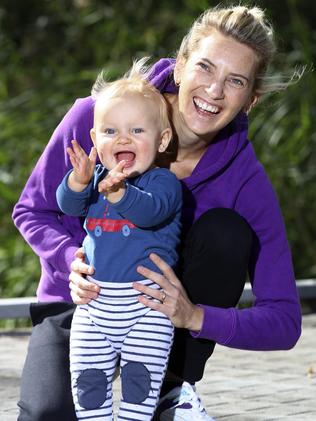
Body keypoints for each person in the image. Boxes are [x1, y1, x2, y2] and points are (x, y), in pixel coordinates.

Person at [12, 4, 302, 421]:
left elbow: (285, 320)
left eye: (235, 81)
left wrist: (195, 316)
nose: (214, 90)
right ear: (181, 66)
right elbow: (32, 210)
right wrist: (70, 259)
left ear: (250, 100)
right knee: (47, 415)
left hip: (159, 319)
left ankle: (172, 389)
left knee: (226, 231)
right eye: (205, 67)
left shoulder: (244, 178)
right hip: (82, 302)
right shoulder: (98, 118)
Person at [56, 64, 182, 420]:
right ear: (96, 140)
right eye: (111, 131)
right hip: (95, 308)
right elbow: (67, 206)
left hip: (145, 308)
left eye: (136, 130)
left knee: (139, 393)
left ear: (162, 140)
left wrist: (119, 193)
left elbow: (149, 213)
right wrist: (79, 182)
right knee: (89, 389)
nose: (123, 139)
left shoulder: (163, 183)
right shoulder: (95, 179)